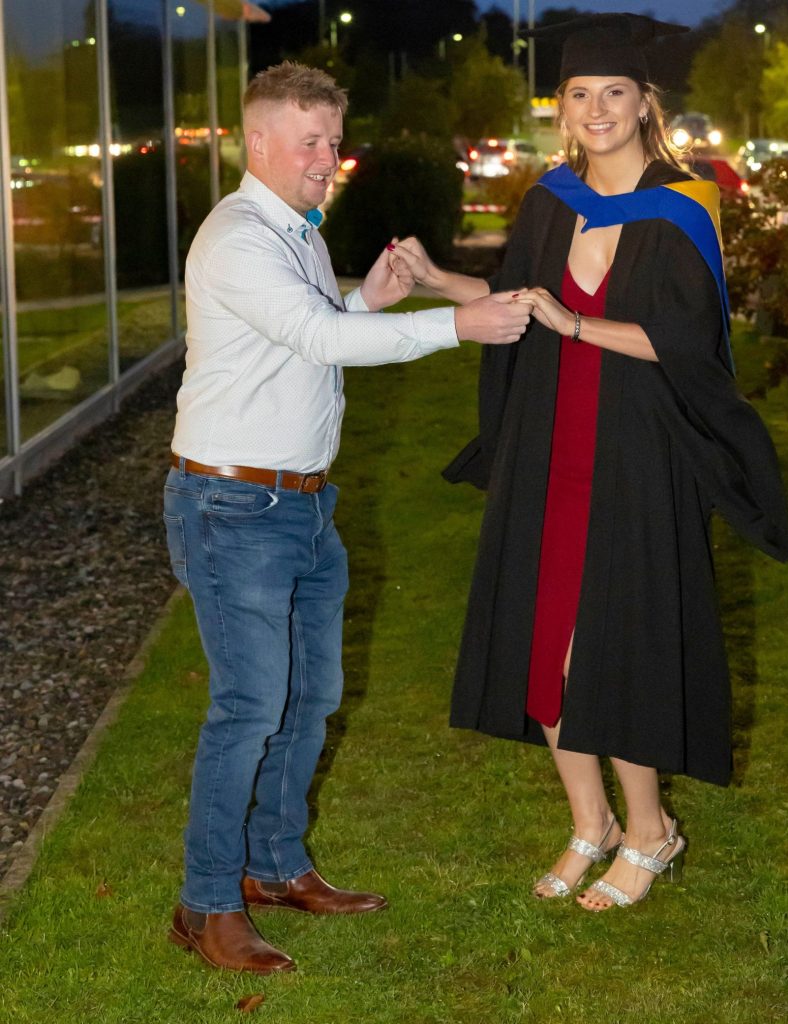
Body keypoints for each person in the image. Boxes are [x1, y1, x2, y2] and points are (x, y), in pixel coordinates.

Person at [391, 13, 788, 912]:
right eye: (580, 94)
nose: (598, 107)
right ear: (563, 110)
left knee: (615, 644)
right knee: (541, 640)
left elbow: (686, 343)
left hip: (636, 454)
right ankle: (589, 823)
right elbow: (512, 300)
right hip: (547, 443)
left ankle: (649, 830)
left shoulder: (684, 205)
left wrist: (576, 325)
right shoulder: (550, 200)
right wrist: (431, 278)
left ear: (646, 104)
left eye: (615, 91)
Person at [163, 61, 531, 974]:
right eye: (311, 141)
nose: (330, 157)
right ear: (258, 143)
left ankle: (277, 867)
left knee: (311, 697)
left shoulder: (295, 230)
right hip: (233, 504)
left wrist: (371, 297)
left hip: (301, 504)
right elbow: (319, 341)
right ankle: (204, 903)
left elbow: (312, 330)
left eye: (334, 139)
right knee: (249, 708)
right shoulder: (239, 236)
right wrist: (457, 324)